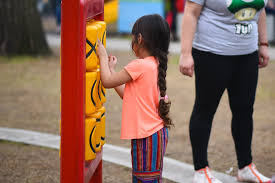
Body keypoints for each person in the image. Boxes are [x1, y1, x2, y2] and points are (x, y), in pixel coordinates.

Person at [179, 0, 271, 183]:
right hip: (211, 53)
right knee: (205, 110)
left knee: (245, 111)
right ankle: (201, 170)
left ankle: (245, 167)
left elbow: (258, 10)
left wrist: (263, 43)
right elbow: (191, 12)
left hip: (247, 54)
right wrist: (185, 53)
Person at [97, 14, 173, 182]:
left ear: (139, 39)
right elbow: (128, 95)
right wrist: (110, 69)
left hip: (147, 137)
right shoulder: (155, 64)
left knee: (144, 179)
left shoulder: (139, 65)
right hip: (155, 135)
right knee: (150, 179)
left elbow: (107, 82)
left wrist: (102, 57)